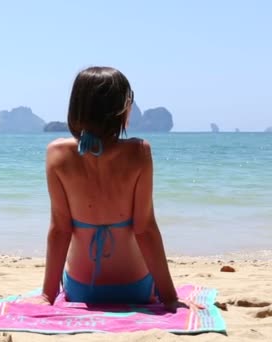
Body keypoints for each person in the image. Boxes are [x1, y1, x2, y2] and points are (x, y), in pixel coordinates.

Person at [32, 66, 202, 312]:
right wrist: (169, 298)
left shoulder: (56, 153)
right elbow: (145, 229)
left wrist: (47, 295)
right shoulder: (139, 152)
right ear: (121, 108)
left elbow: (60, 229)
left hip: (81, 288)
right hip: (136, 288)